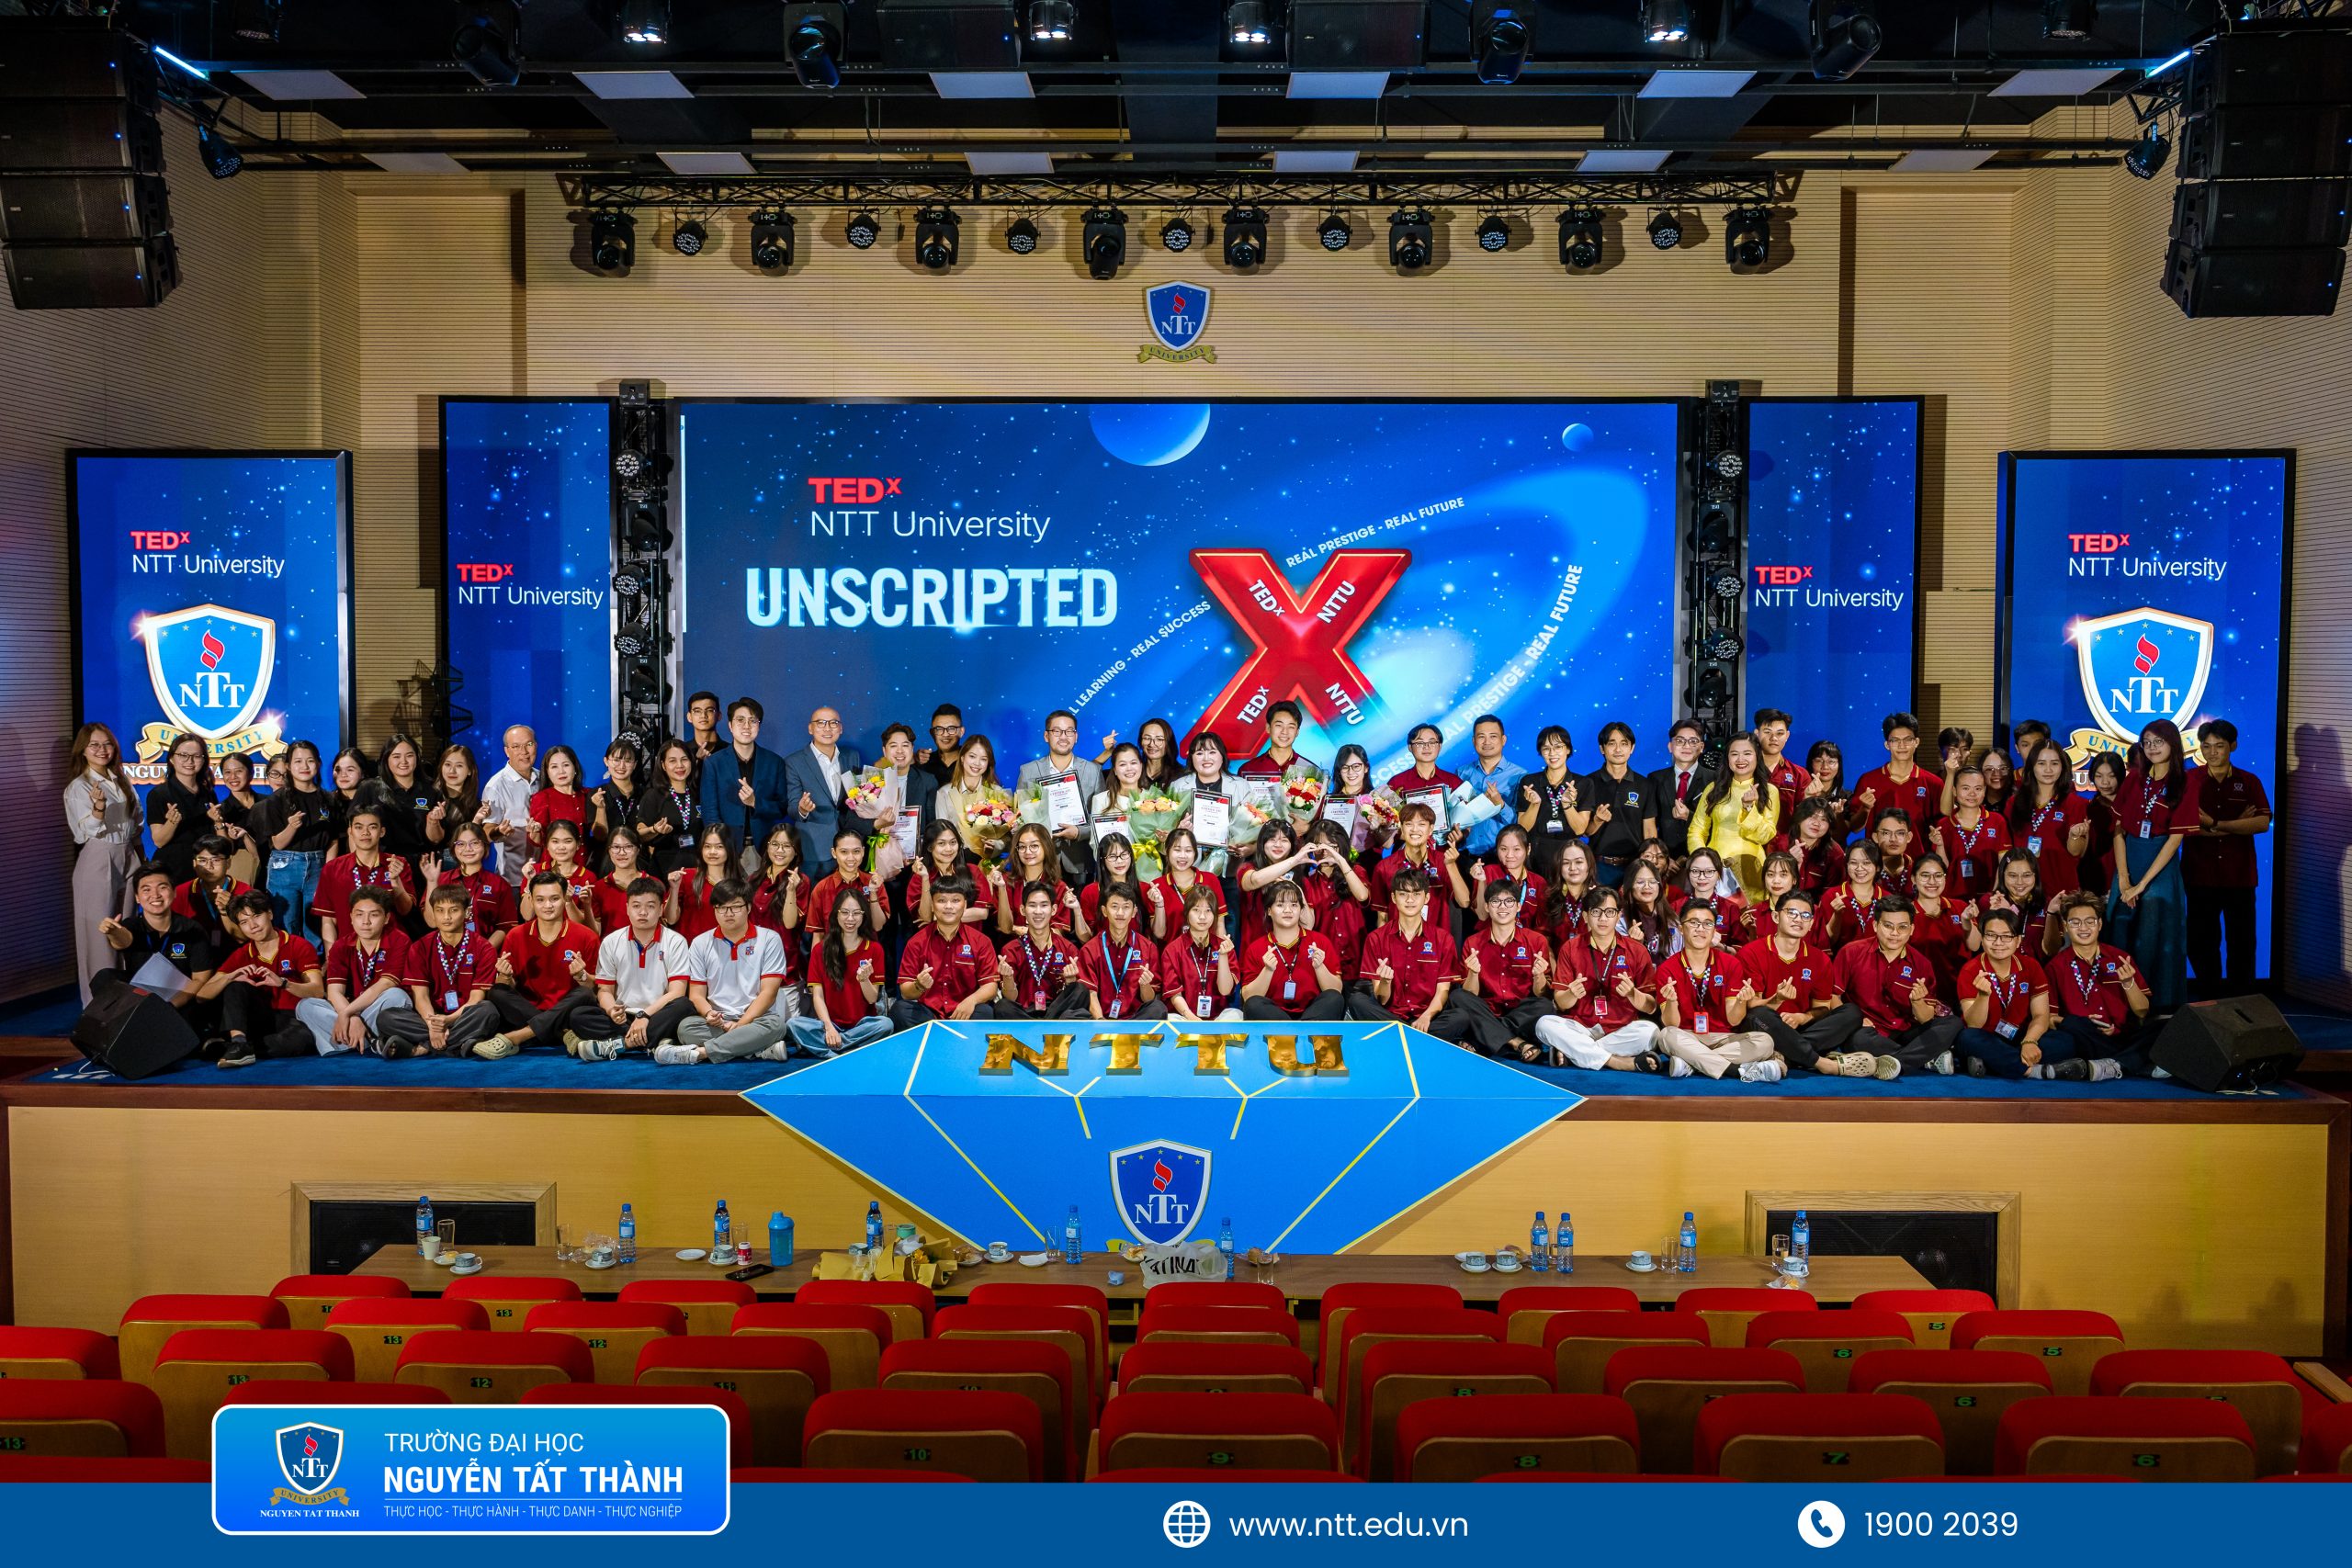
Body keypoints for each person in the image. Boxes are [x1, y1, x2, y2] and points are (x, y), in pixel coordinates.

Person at [2109, 718, 2199, 1010]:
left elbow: (2175, 840)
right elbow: (2118, 830)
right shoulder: (2134, 779)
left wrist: (2142, 885)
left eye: (2158, 741)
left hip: (2159, 868)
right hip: (2128, 862)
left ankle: (2157, 1008)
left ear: (2173, 743)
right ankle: (2117, 1006)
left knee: (2154, 936)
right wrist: (2124, 879)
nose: (2152, 748)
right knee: (2119, 932)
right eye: (2146, 742)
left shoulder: (2186, 783)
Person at [658, 881, 800, 1065]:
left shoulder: (769, 939)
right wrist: (709, 1013)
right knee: (686, 1028)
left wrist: (742, 1024)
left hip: (757, 1019)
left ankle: (700, 1053)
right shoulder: (701, 943)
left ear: (748, 907)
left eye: (736, 907)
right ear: (715, 910)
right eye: (722, 908)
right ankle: (757, 1050)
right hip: (719, 1021)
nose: (728, 913)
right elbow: (697, 995)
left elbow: (769, 993)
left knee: (776, 1026)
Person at [1532, 886, 1668, 1073]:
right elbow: (1561, 1003)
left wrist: (1632, 994)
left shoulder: (1637, 950)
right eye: (1596, 912)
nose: (1603, 918)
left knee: (1651, 1032)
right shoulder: (1570, 948)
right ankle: (1616, 1062)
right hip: (1581, 1026)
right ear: (1585, 916)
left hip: (1621, 1029)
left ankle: (1574, 1052)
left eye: (1610, 912)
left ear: (1619, 916)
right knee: (1544, 1024)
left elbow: (1651, 1007)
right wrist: (1572, 994)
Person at [1736, 888, 1869, 1076]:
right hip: (1766, 1028)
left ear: (1811, 923)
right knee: (1759, 1014)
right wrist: (1777, 999)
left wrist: (1801, 1018)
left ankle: (1787, 1055)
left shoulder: (1820, 959)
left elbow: (1822, 1008)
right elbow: (1751, 1007)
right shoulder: (1751, 952)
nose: (1798, 919)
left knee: (1852, 1012)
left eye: (1805, 916)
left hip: (1800, 1028)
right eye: (1791, 913)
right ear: (1776, 917)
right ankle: (1820, 1062)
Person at [1649, 901, 1784, 1082]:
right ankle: (1736, 1070)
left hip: (1724, 1038)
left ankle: (1692, 1063)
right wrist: (1672, 1002)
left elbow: (1734, 1020)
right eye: (1694, 923)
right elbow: (1671, 1024)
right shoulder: (1667, 969)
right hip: (1687, 1036)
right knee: (1666, 1036)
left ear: (1714, 931)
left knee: (1765, 1041)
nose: (1700, 929)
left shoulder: (1731, 964)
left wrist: (1741, 1001)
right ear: (1681, 929)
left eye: (1707, 924)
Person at [1830, 896, 1962, 1078]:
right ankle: (1924, 1059)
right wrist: (1853, 1021)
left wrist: (1917, 1002)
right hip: (1867, 1029)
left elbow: (1925, 1019)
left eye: (1902, 927)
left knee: (1953, 1022)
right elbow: (1833, 996)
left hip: (1905, 1030)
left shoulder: (1922, 964)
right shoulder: (1851, 952)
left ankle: (1898, 1062)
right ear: (1875, 926)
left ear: (1912, 929)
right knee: (1857, 1040)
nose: (1895, 933)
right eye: (1888, 926)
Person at [2185, 717, 2270, 996]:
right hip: (2199, 875)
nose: (2212, 752)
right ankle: (2210, 999)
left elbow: (2261, 823)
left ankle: (2242, 1002)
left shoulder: (2249, 781)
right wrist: (2238, 825)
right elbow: (2187, 828)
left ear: (2232, 746)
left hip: (2239, 876)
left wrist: (2214, 824)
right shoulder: (2190, 781)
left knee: (2242, 943)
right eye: (2206, 746)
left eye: (2219, 746)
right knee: (2200, 942)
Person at [193, 890, 325, 1067]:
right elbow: (201, 996)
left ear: (270, 914)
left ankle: (231, 1049)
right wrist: (230, 977)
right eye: (244, 922)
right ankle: (239, 1042)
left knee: (301, 1040)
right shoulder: (241, 954)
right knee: (234, 984)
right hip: (258, 1019)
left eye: (256, 916)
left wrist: (284, 983)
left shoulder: (298, 945)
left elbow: (318, 991)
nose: (253, 925)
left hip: (294, 1017)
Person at [479, 872, 602, 1060]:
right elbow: (508, 986)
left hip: (567, 1012)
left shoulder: (587, 936)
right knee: (497, 991)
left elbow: (595, 989)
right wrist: (505, 977)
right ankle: (562, 1034)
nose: (547, 905)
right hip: (528, 1011)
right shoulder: (515, 935)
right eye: (540, 900)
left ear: (565, 899)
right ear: (531, 900)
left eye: (554, 899)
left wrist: (581, 976)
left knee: (584, 994)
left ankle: (518, 1037)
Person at [571, 877, 694, 1060]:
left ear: (661, 909)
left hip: (658, 1013)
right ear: (627, 908)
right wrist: (611, 1010)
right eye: (636, 906)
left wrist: (645, 1016)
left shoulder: (676, 941)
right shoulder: (611, 941)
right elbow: (605, 989)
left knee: (684, 1006)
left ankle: (622, 1044)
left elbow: (677, 992)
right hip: (625, 1016)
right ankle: (655, 1041)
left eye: (650, 906)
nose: (643, 912)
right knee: (578, 1016)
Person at [1436, 878, 1556, 1060]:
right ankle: (1516, 1043)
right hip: (1486, 1009)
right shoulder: (1473, 942)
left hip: (1519, 1011)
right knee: (1458, 997)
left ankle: (1482, 1039)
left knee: (1545, 1006)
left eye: (1509, 901)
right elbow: (1470, 994)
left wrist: (1539, 976)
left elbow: (1542, 994)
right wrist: (1473, 974)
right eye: (1495, 901)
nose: (1502, 907)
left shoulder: (1536, 941)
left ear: (1518, 906)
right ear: (1486, 907)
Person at [378, 884, 501, 1058]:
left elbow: (476, 999)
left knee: (488, 1011)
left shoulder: (484, 948)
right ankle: (457, 1045)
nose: (446, 917)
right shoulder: (419, 947)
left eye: (453, 910)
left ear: (467, 912)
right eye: (440, 911)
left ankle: (425, 1047)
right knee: (386, 1017)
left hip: (463, 1016)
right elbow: (421, 996)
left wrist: (448, 1021)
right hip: (429, 1018)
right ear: (433, 913)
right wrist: (433, 1026)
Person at [65, 721, 140, 1003]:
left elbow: (136, 821)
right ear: (83, 750)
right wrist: (98, 808)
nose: (102, 750)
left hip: (128, 855)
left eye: (107, 744)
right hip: (99, 857)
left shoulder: (120, 779)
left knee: (126, 930)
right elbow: (82, 832)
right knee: (99, 939)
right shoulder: (79, 786)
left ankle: (127, 1003)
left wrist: (140, 859)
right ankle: (98, 1005)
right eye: (94, 745)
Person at [96, 862, 218, 1031]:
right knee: (105, 977)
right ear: (137, 897)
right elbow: (123, 941)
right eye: (146, 890)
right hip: (139, 997)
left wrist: (168, 1006)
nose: (155, 895)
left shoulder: (193, 929)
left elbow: (200, 979)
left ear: (174, 892)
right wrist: (112, 932)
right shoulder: (130, 926)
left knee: (192, 1017)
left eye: (162, 887)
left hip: (179, 999)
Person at [295, 886, 415, 1056]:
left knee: (396, 996)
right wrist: (353, 1017)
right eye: (359, 915)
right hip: (351, 1009)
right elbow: (334, 992)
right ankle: (368, 1040)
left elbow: (386, 984)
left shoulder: (399, 940)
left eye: (374, 915)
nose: (365, 922)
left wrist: (347, 1014)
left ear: (386, 918)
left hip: (375, 1009)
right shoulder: (341, 946)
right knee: (305, 1005)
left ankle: (348, 1040)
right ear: (351, 917)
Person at [2046, 891, 2154, 1080]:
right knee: (2068, 1030)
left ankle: (2114, 1064)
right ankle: (2131, 1063)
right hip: (2084, 1037)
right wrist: (2082, 1023)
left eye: (2090, 921)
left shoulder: (2120, 958)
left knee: (2164, 1025)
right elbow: (2049, 1018)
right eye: (2075, 922)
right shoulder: (2055, 966)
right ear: (2065, 926)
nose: (2083, 928)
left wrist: (2128, 983)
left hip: (2122, 1037)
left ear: (2100, 924)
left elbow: (2143, 1012)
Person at [1954, 907, 2068, 1079]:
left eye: (2007, 936)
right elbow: (1974, 1024)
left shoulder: (2031, 966)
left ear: (2018, 940)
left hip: (2020, 1036)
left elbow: (2041, 1015)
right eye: (1991, 935)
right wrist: (1983, 997)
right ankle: (2035, 1071)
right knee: (1967, 1038)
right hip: (1986, 1037)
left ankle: (1995, 1063)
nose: (1998, 942)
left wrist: (2029, 1041)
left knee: (2065, 1041)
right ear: (1982, 939)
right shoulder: (1970, 970)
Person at [1347, 865, 1457, 1030]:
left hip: (1428, 1017)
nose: (1410, 900)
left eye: (1416, 894)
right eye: (1403, 894)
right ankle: (1413, 1034)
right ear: (1393, 897)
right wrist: (1385, 982)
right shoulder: (1376, 938)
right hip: (1389, 1014)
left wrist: (1426, 1017)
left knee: (1460, 1017)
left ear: (1427, 897)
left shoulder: (1443, 939)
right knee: (1357, 1001)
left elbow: (1443, 991)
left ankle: (1399, 1033)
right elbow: (1381, 999)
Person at [793, 885, 895, 1055]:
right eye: (845, 912)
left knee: (886, 1025)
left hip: (862, 1025)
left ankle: (830, 1051)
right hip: (829, 1024)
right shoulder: (820, 950)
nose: (850, 918)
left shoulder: (874, 949)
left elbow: (872, 999)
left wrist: (864, 980)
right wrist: (829, 1028)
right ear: (836, 914)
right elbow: (817, 996)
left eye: (856, 913)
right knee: (794, 1025)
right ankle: (850, 1048)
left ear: (864, 916)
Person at [889, 874, 999, 1029]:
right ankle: (943, 1033)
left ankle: (940, 1034)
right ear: (932, 906)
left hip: (964, 1012)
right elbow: (906, 992)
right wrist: (919, 985)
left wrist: (971, 1001)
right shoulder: (916, 942)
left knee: (985, 1012)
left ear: (965, 905)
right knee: (900, 1010)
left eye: (955, 900)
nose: (948, 906)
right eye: (941, 901)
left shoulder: (981, 941)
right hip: (928, 1015)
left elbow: (990, 986)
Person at [260, 739, 340, 943]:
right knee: (285, 925)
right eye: (298, 761)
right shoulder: (276, 800)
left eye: (310, 761)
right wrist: (291, 827)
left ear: (318, 764)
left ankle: (317, 962)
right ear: (288, 766)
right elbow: (277, 844)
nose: (304, 766)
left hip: (318, 865)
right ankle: (287, 963)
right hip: (285, 865)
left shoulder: (329, 799)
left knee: (316, 925)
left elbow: (333, 840)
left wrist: (329, 871)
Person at [699, 698, 793, 868]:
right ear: (730, 725)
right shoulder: (714, 763)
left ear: (759, 726)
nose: (746, 726)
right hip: (726, 849)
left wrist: (755, 802)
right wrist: (720, 846)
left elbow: (781, 808)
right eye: (740, 720)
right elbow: (710, 811)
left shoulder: (774, 762)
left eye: (753, 721)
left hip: (763, 849)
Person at [1012, 710, 1103, 880]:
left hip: (1080, 862)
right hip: (1039, 861)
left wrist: (1079, 832)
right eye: (1057, 731)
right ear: (1046, 736)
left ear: (1076, 737)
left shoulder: (1093, 771)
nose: (1063, 736)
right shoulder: (1028, 771)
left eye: (1069, 731)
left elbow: (1102, 820)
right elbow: (1019, 818)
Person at [1684, 732, 1777, 898]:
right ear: (1727, 759)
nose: (1740, 759)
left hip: (1750, 868)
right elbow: (1697, 829)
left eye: (1747, 754)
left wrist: (1748, 808)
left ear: (1757, 757)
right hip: (1715, 868)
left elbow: (1765, 836)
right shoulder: (1714, 789)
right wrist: (1703, 861)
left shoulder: (1769, 791)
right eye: (1734, 754)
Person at [1238, 879, 1345, 1021]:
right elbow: (1248, 997)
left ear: (1301, 910)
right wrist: (1267, 970)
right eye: (1280, 905)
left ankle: (1296, 1029)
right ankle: (1294, 1029)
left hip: (1312, 1012)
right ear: (1269, 911)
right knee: (1253, 1004)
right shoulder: (1256, 948)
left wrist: (1320, 967)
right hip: (1274, 1015)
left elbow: (1336, 990)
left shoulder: (1320, 942)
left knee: (1334, 998)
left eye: (1294, 905)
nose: (1288, 910)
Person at [313, 807, 417, 949]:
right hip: (349, 950)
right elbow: (328, 920)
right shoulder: (333, 868)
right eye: (359, 827)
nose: (365, 833)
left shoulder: (398, 863)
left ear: (382, 832)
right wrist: (331, 956)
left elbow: (405, 911)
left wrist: (395, 882)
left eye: (372, 827)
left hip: (390, 948)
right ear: (350, 832)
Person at [784, 705, 865, 875]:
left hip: (849, 845)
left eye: (833, 723)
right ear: (810, 728)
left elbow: (858, 797)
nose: (827, 728)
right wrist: (802, 809)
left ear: (840, 728)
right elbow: (792, 808)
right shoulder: (794, 762)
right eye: (820, 723)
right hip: (815, 847)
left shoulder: (852, 756)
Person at [2009, 739, 2090, 899]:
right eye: (2041, 763)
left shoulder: (2075, 803)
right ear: (2031, 767)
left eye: (2054, 763)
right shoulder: (2014, 803)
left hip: (2061, 891)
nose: (2048, 769)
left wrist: (2074, 835)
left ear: (2063, 767)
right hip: (2021, 891)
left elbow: (2076, 852)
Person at [994, 880, 1087, 1018]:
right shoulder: (1010, 950)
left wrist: (1070, 980)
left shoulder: (1068, 949)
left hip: (1057, 1010)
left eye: (1044, 905)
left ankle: (1044, 1024)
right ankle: (1047, 1025)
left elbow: (1072, 995)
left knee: (1080, 990)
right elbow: (1011, 998)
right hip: (1025, 1013)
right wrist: (1008, 978)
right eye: (1032, 905)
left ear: (1053, 909)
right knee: (1003, 1007)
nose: (1038, 911)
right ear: (1023, 910)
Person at [1581, 722, 1658, 886]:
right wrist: (1597, 820)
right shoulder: (1588, 783)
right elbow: (1584, 831)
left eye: (1624, 744)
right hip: (1600, 866)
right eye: (1612, 744)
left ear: (1632, 748)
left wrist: (1649, 864)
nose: (1618, 749)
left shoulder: (1644, 785)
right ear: (1602, 749)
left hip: (1634, 865)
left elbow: (1650, 830)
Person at [1077, 883, 1163, 1021]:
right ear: (1104, 911)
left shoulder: (1148, 948)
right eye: (1114, 906)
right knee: (1071, 1014)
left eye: (1126, 907)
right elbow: (1091, 993)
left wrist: (1144, 985)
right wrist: (1101, 1021)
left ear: (1134, 912)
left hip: (1135, 1018)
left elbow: (1149, 999)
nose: (1120, 913)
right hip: (1100, 1017)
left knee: (1158, 1008)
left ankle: (1129, 1029)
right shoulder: (1090, 949)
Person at [144, 731, 218, 885]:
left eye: (197, 756)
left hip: (204, 869)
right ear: (172, 758)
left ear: (204, 760)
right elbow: (158, 841)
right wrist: (172, 823)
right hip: (174, 869)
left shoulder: (208, 793)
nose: (190, 761)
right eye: (183, 755)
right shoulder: (159, 794)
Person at [1849, 711, 1939, 840]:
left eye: (1908, 740)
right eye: (1895, 740)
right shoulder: (1868, 780)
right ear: (1887, 745)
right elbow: (1854, 827)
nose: (1902, 746)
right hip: (1877, 853)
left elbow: (1941, 827)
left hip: (1919, 853)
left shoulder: (1933, 783)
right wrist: (1865, 808)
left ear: (1917, 742)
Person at [1905, 853, 1980, 1000]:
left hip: (1959, 990)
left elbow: (1975, 946)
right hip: (1921, 993)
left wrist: (1966, 921)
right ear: (1913, 879)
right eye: (1925, 875)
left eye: (1938, 875)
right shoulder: (1905, 913)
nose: (1932, 881)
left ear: (1945, 878)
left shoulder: (1960, 907)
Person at [1161, 886, 1241, 1022]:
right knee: (1170, 1019)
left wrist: (1223, 956)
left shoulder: (1225, 947)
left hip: (1218, 1018)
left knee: (1237, 1015)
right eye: (1196, 910)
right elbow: (1175, 995)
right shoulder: (1172, 950)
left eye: (1208, 911)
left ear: (1215, 915)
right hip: (1185, 1017)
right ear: (1187, 913)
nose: (1202, 917)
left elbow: (1225, 991)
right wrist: (1191, 1018)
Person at [357, 734, 434, 876]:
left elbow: (436, 839)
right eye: (396, 756)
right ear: (386, 759)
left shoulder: (430, 790)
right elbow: (354, 829)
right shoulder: (369, 788)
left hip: (420, 864)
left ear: (417, 758)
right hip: (379, 862)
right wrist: (359, 865)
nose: (403, 761)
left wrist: (433, 821)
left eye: (409, 756)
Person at [1935, 763, 2011, 905]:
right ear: (1954, 791)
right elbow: (1941, 867)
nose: (1972, 794)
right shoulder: (1944, 824)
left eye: (1978, 788)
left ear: (1984, 791)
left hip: (1987, 897)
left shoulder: (1997, 821)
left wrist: (1995, 893)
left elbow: (2003, 862)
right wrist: (1939, 845)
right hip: (1952, 897)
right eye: (1965, 788)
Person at [1453, 714, 1526, 862]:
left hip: (1502, 857)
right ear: (1474, 741)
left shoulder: (1520, 776)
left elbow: (1523, 824)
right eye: (1481, 737)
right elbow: (1454, 815)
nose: (1487, 742)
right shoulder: (1462, 773)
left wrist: (1501, 805)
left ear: (1503, 740)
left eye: (1493, 736)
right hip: (1465, 855)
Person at [436, 821, 519, 949]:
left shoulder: (499, 884)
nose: (468, 849)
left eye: (475, 843)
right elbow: (431, 922)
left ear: (485, 846)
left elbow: (506, 926)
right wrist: (431, 882)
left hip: (485, 953)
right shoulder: (441, 879)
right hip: (445, 953)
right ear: (453, 848)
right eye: (461, 844)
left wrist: (483, 952)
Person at [1168, 731, 1239, 878]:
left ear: (1222, 756)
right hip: (1188, 867)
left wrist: (1246, 846)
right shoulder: (1177, 786)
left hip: (1229, 868)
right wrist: (1178, 830)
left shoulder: (1241, 786)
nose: (1206, 758)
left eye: (1212, 752)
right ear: (1191, 758)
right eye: (1199, 753)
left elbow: (1252, 826)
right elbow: (1165, 831)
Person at [1514, 724, 1581, 879]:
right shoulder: (1529, 782)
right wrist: (1534, 804)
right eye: (1546, 749)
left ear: (1568, 749)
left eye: (1558, 747)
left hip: (1569, 856)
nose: (1552, 753)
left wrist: (1567, 804)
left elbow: (1579, 829)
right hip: (1535, 856)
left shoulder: (1582, 783)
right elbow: (1523, 828)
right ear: (1541, 752)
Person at [1646, 719, 1717, 861]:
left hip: (1703, 858)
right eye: (1680, 741)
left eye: (1693, 741)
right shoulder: (1655, 778)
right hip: (1665, 859)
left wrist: (1689, 816)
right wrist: (1662, 858)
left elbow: (1719, 823)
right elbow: (1650, 822)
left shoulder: (1714, 779)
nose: (1686, 746)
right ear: (1670, 746)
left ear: (1702, 747)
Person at [808, 827, 891, 946]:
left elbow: (877, 926)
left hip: (866, 953)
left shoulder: (874, 882)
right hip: (833, 953)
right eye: (844, 852)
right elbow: (818, 935)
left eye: (856, 851)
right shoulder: (822, 888)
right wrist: (816, 959)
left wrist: (873, 892)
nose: (851, 858)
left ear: (863, 852)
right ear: (834, 853)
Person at [636, 739, 705, 877]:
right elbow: (639, 833)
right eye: (672, 761)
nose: (680, 765)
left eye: (684, 759)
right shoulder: (653, 796)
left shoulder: (700, 793)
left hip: (697, 868)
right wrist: (654, 829)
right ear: (663, 765)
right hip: (665, 869)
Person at [480, 726, 539, 883]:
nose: (524, 752)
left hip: (547, 875)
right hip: (514, 878)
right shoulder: (496, 786)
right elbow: (486, 833)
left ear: (536, 746)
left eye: (529, 744)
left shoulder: (545, 779)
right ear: (507, 751)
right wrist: (499, 831)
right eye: (516, 746)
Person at [1147, 828, 1225, 942]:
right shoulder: (1157, 886)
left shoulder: (1210, 880)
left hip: (1207, 951)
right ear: (1167, 851)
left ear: (1195, 853)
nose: (1183, 856)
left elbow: (1220, 925)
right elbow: (1159, 934)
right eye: (1177, 850)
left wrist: (1221, 950)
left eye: (1188, 850)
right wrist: (1159, 904)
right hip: (1172, 952)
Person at [934, 734, 1005, 856]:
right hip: (955, 860)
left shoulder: (997, 793)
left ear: (988, 763)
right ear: (962, 758)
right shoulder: (945, 793)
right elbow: (941, 834)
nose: (977, 763)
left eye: (983, 759)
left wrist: (995, 846)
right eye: (972, 756)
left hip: (989, 860)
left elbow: (1007, 837)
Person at [669, 824, 741, 942]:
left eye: (719, 847)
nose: (712, 852)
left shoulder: (739, 883)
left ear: (729, 849)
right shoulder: (686, 876)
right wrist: (674, 889)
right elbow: (671, 919)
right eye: (707, 846)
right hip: (691, 946)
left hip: (727, 946)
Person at [1984, 847, 2061, 959]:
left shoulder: (2047, 904)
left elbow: (2052, 950)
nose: (2020, 882)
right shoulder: (1989, 902)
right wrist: (2005, 915)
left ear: (2035, 875)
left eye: (2026, 875)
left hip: (2038, 968)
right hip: (2003, 967)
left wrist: (2051, 914)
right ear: (2002, 875)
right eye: (2012, 876)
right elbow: (1984, 947)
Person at [1750, 707, 1810, 842]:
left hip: (1784, 847)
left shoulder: (1799, 775)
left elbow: (1805, 819)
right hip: (1749, 845)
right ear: (1757, 733)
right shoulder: (1745, 770)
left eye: (1780, 733)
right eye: (1767, 732)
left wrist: (1809, 799)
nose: (1774, 738)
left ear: (1787, 736)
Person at [423, 742, 484, 871]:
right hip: (429, 862)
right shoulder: (427, 797)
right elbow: (433, 840)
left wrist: (476, 822)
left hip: (461, 863)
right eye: (448, 765)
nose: (452, 771)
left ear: (470, 771)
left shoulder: (475, 805)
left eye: (459, 766)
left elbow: (475, 844)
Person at [1233, 700, 1324, 784]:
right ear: (1268, 728)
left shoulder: (1312, 771)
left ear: (1297, 732)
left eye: (1291, 727)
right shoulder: (1248, 769)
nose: (1284, 732)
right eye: (1279, 725)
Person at [587, 739, 648, 862]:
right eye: (616, 760)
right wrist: (600, 808)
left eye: (628, 761)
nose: (622, 766)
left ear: (635, 764)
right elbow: (600, 836)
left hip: (639, 859)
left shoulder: (646, 794)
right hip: (605, 860)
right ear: (606, 761)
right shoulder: (597, 794)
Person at [527, 744, 592, 855]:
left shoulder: (588, 794)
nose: (561, 771)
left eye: (566, 765)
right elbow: (538, 841)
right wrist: (535, 832)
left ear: (575, 768)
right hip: (557, 862)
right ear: (547, 772)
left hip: (588, 861)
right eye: (554, 767)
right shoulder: (542, 798)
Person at [213, 750, 266, 886]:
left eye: (239, 771)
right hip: (240, 868)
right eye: (227, 772)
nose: (233, 777)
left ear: (251, 773)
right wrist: (220, 824)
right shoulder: (221, 810)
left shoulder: (267, 803)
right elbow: (224, 850)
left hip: (271, 863)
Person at [1387, 724, 1463, 818]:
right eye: (1420, 743)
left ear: (1439, 746)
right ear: (1410, 747)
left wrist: (1460, 827)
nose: (1426, 747)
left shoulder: (1454, 782)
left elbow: (1465, 815)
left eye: (1432, 742)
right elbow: (1388, 817)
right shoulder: (1396, 783)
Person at [2081, 750, 2126, 895]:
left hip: (2130, 874)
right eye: (2099, 776)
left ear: (2121, 776)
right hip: (2097, 878)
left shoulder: (2132, 806)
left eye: (2111, 776)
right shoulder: (2090, 809)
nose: (2105, 782)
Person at [1788, 799, 1845, 894]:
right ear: (1799, 818)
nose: (1817, 824)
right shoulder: (1779, 843)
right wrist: (1789, 863)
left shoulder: (1835, 853)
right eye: (1812, 817)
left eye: (1824, 819)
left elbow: (1831, 894)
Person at [915, 703, 966, 788]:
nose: (945, 734)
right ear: (932, 733)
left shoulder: (973, 763)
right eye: (939, 729)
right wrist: (913, 760)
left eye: (951, 729)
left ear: (961, 732)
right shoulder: (923, 763)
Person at [684, 691, 726, 774]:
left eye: (710, 710)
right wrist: (697, 762)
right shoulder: (682, 752)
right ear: (689, 717)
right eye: (697, 711)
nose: (703, 715)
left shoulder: (730, 751)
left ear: (719, 715)